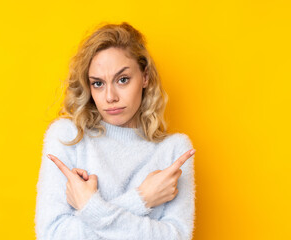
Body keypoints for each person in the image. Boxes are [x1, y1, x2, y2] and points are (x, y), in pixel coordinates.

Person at [35, 22, 196, 240]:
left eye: (122, 80)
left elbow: (175, 237)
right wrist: (142, 199)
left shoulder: (174, 150)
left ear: (145, 77)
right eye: (98, 83)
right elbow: (52, 235)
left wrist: (88, 206)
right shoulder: (67, 137)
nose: (110, 97)